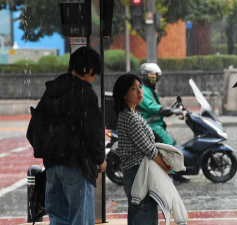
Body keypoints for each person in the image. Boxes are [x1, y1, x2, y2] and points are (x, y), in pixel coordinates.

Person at [27, 47, 107, 224]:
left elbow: (33, 129)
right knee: (81, 218)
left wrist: (52, 149)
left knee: (58, 218)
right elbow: (93, 132)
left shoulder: (52, 91)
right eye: (96, 75)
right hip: (76, 165)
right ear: (91, 71)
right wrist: (100, 159)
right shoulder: (85, 92)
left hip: (52, 168)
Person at [113, 74, 172, 225]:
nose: (140, 92)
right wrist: (165, 166)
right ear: (124, 94)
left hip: (136, 173)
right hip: (138, 173)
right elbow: (149, 149)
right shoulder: (130, 117)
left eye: (140, 87)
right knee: (145, 214)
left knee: (138, 214)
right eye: (134, 88)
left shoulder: (132, 113)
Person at [137, 63, 190, 183]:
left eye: (155, 75)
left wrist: (173, 109)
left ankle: (177, 172)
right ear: (144, 76)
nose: (154, 77)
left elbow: (158, 107)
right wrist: (172, 110)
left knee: (173, 143)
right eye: (151, 75)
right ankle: (169, 175)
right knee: (168, 144)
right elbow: (154, 108)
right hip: (149, 125)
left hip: (156, 124)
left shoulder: (150, 90)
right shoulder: (143, 91)